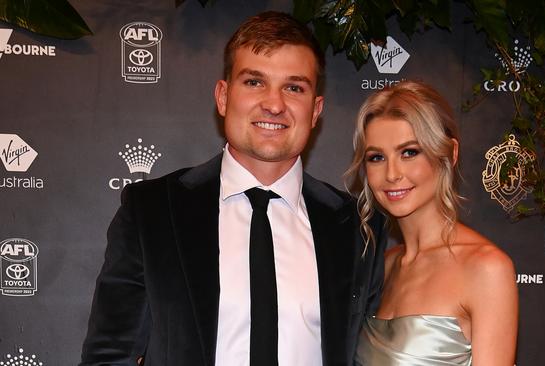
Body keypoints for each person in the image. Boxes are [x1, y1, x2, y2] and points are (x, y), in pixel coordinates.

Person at [80, 11, 386, 366]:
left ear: (316, 110)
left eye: (294, 87)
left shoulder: (356, 227)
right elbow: (109, 356)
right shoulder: (152, 211)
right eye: (254, 82)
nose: (274, 104)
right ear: (223, 97)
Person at [347, 80, 518, 365]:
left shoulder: (486, 268)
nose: (392, 174)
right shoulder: (384, 266)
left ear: (449, 154)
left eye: (409, 152)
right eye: (376, 157)